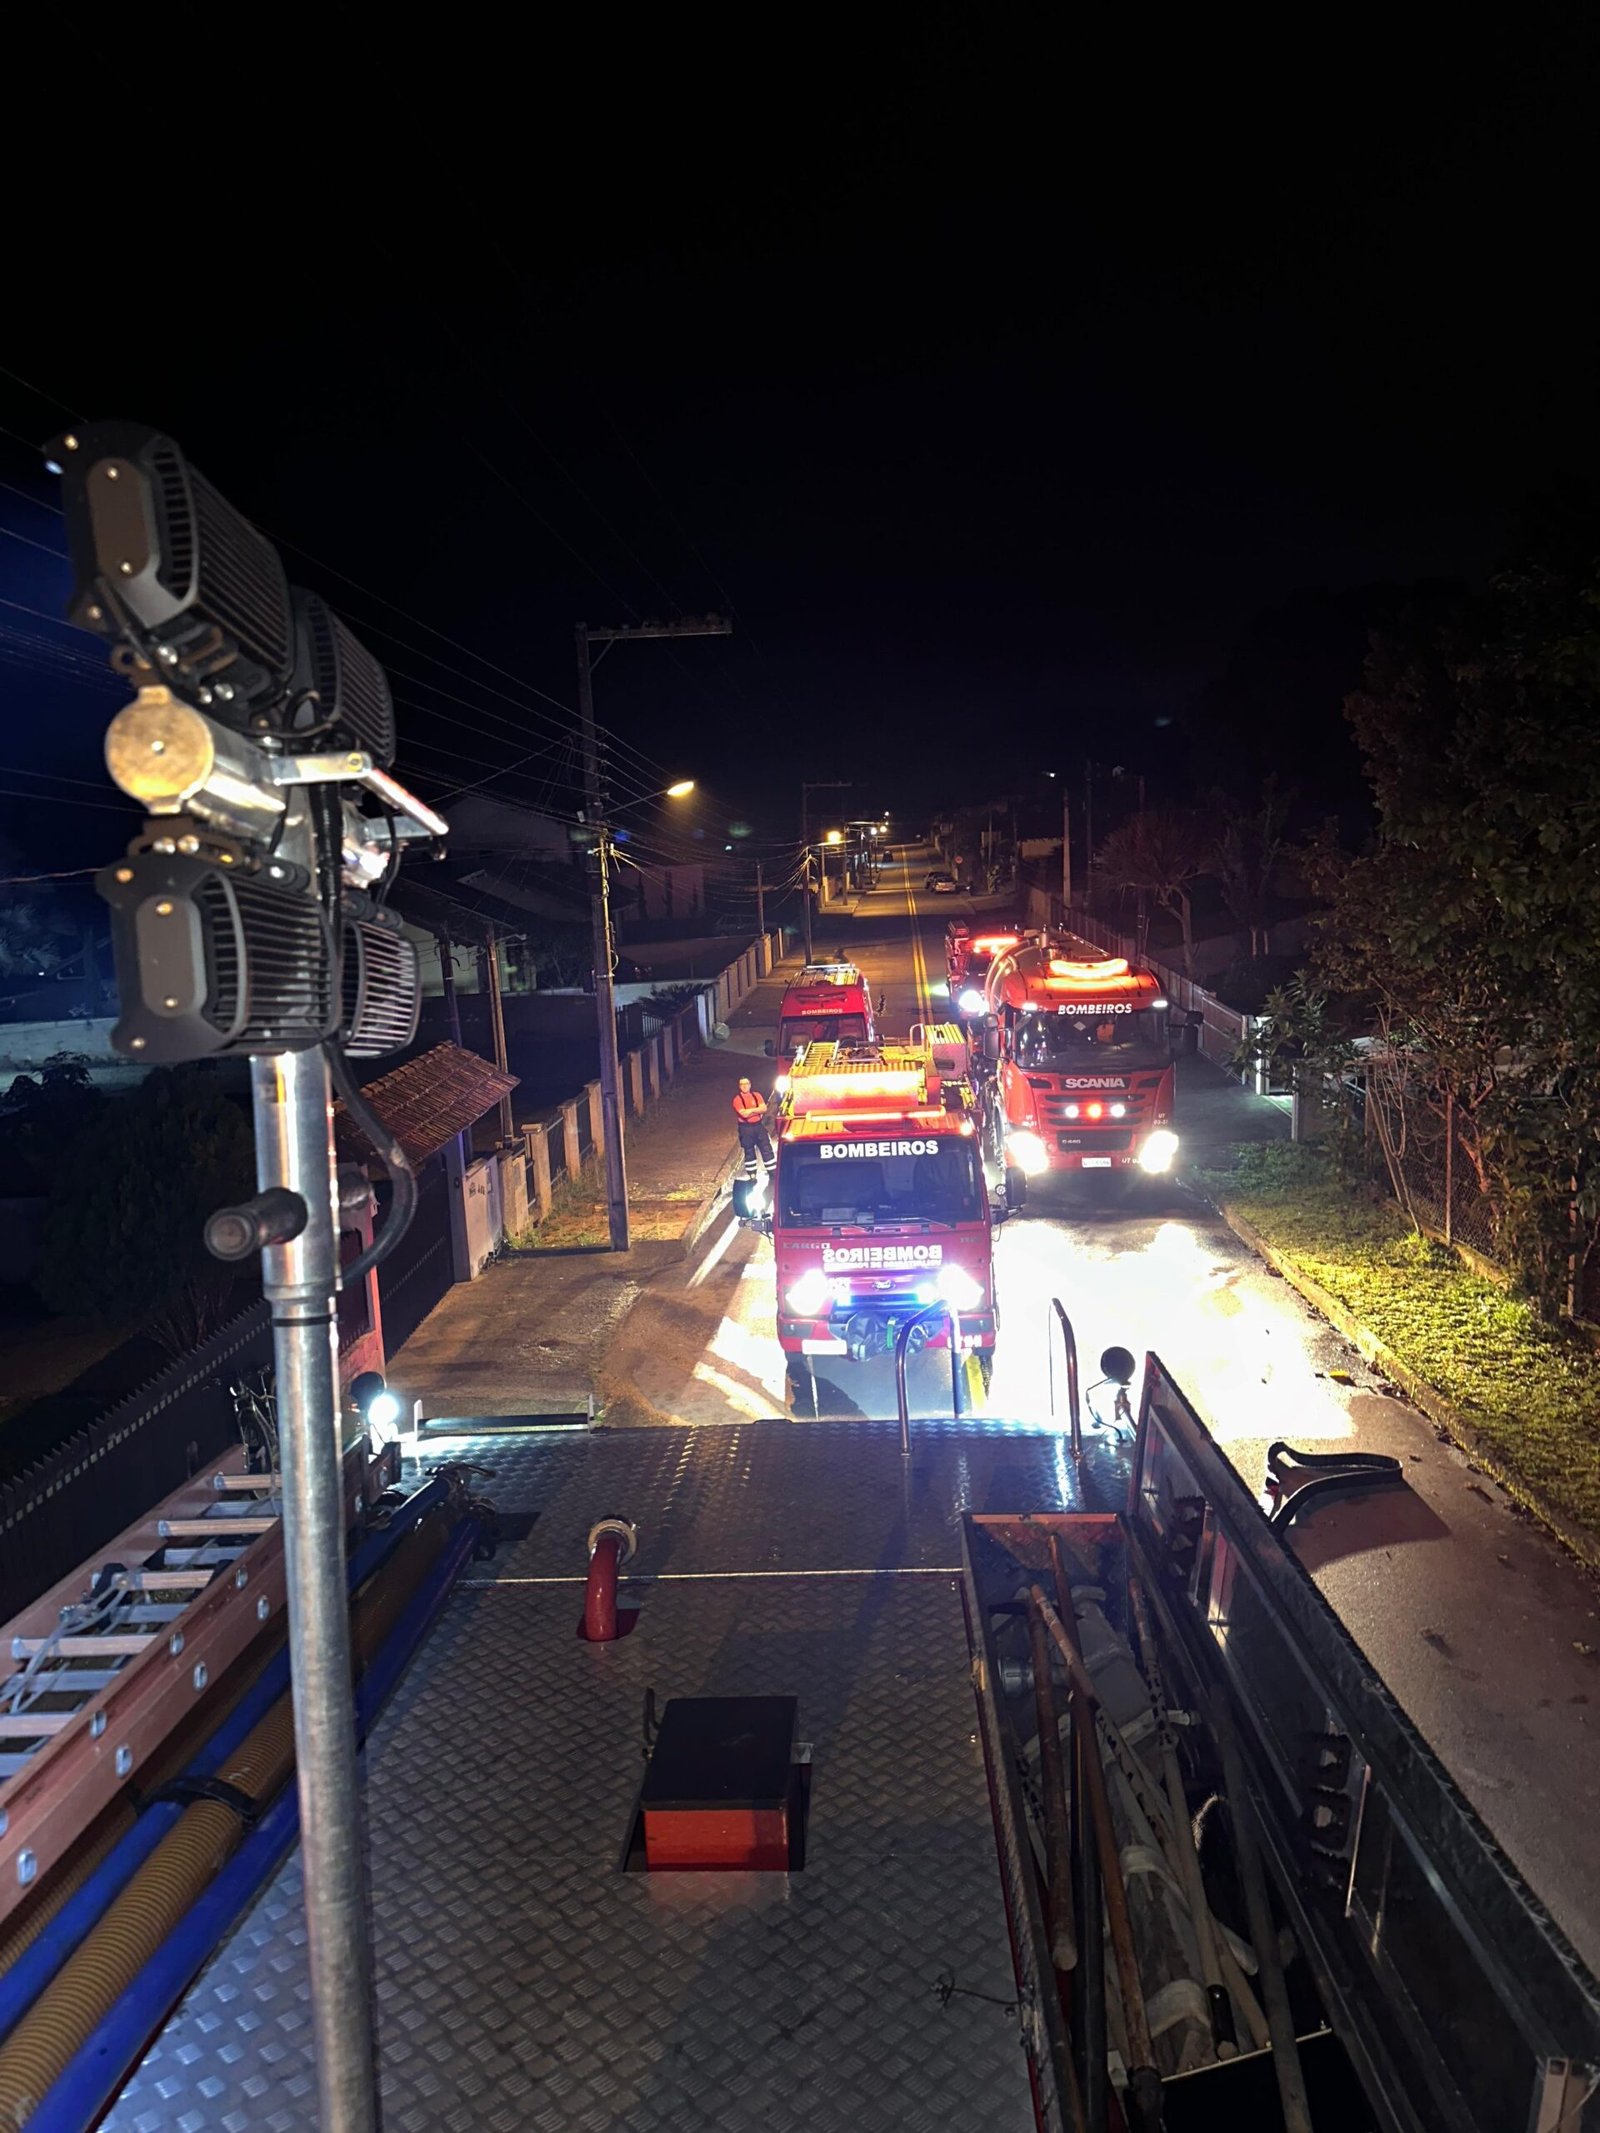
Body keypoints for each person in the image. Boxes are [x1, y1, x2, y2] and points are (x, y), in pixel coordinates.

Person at [732, 1076, 775, 1169]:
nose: (744, 1086)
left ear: (750, 1085)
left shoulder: (757, 1095)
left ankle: (772, 1172)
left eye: (746, 1084)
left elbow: (764, 1109)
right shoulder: (737, 1099)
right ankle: (752, 1174)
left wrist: (750, 1111)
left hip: (758, 1126)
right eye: (742, 1084)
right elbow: (744, 1114)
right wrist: (757, 1110)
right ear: (739, 1086)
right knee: (749, 1152)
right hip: (745, 1128)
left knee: (766, 1148)